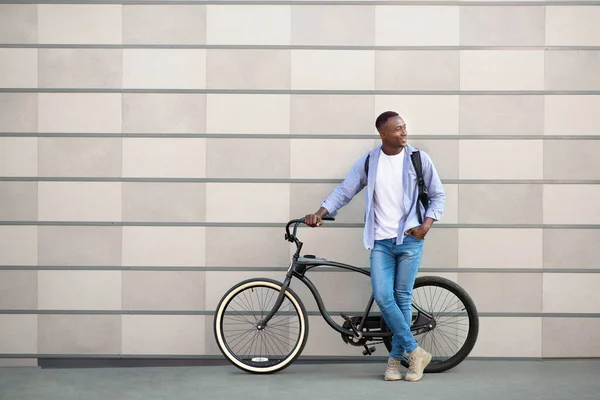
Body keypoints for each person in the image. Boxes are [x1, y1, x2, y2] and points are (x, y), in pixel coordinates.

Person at [304, 111, 445, 382]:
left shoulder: (418, 159)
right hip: (381, 241)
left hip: (409, 240)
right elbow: (344, 191)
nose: (404, 133)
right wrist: (320, 213)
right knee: (384, 296)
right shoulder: (370, 162)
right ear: (383, 133)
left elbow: (438, 195)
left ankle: (395, 361)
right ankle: (415, 352)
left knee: (402, 298)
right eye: (398, 129)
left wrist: (426, 226)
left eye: (405, 128)